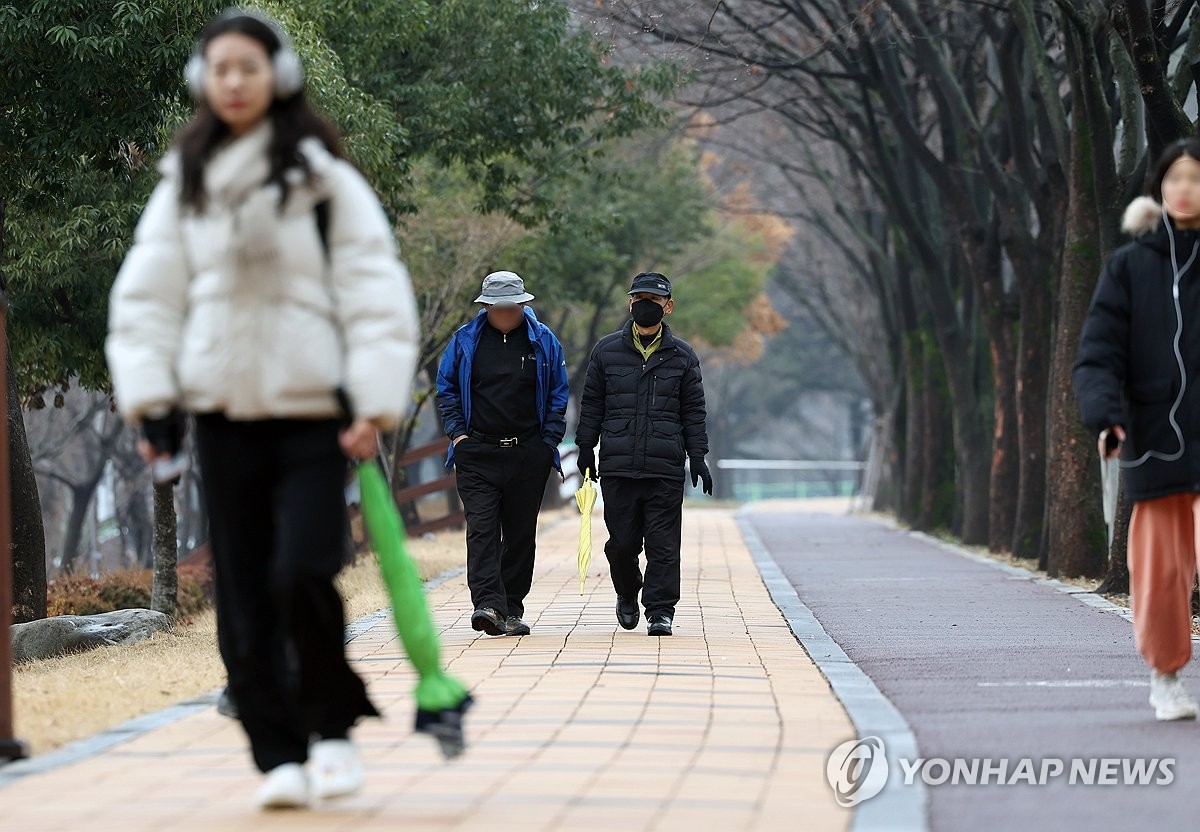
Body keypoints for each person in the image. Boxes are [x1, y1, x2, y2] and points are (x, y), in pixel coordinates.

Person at [106, 9, 419, 808]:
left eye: (248, 66)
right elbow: (147, 300)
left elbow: (376, 298)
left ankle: (331, 733)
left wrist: (374, 404)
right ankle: (275, 751)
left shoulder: (324, 179)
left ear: (276, 76)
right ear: (203, 83)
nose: (234, 81)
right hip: (222, 416)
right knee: (242, 588)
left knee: (302, 570)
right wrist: (153, 404)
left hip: (315, 413)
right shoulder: (188, 178)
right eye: (221, 69)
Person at [1075, 137, 1200, 722]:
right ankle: (1166, 676)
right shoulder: (1130, 266)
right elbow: (1099, 353)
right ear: (1158, 189)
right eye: (1173, 178)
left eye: (1194, 178)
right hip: (1156, 439)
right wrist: (1106, 417)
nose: (1183, 188)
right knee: (1162, 574)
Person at [574, 272, 712, 637]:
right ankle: (626, 591)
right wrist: (585, 447)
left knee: (663, 544)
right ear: (629, 303)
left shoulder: (682, 356)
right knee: (621, 544)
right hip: (618, 465)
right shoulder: (606, 350)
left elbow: (693, 410)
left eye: (654, 299)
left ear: (668, 306)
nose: (645, 305)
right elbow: (592, 403)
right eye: (639, 299)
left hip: (665, 466)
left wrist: (698, 455)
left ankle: (661, 610)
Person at [435, 272, 569, 637]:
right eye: (498, 308)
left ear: (524, 305)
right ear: (486, 308)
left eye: (513, 307)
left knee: (520, 534)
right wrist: (459, 436)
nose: (506, 314)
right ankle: (488, 604)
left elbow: (559, 391)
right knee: (481, 529)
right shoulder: (465, 341)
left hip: (528, 451)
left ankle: (511, 607)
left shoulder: (543, 341)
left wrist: (549, 441)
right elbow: (445, 387)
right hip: (477, 451)